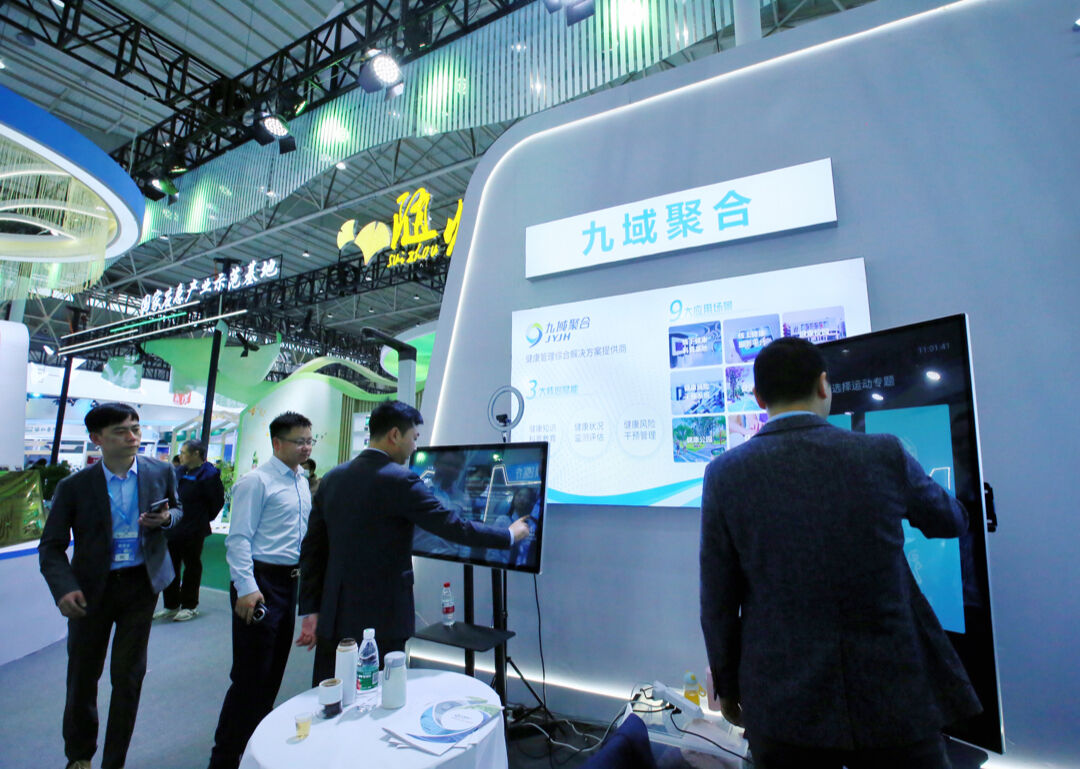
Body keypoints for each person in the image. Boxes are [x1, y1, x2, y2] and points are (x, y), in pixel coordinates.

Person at [699, 336, 981, 769]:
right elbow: (950, 521)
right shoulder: (883, 452)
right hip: (894, 694)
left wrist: (729, 686)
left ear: (758, 397)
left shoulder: (724, 474)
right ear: (823, 384)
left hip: (783, 706)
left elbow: (717, 601)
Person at [296, 401, 530, 685]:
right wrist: (508, 535)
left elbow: (313, 549)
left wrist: (311, 609)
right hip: (383, 616)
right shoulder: (401, 480)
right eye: (414, 438)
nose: (415, 448)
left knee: (331, 691)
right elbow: (452, 526)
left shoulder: (333, 478)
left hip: (334, 615)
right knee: (381, 693)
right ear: (395, 435)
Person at [38, 403, 181, 769]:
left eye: (136, 428)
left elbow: (178, 511)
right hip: (90, 590)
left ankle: (113, 762)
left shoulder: (160, 471)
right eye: (121, 431)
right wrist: (63, 588)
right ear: (97, 438)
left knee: (128, 677)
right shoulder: (74, 486)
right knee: (83, 675)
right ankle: (79, 755)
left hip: (140, 585)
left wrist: (167, 519)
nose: (133, 437)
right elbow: (51, 546)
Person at [207, 412, 314, 769]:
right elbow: (238, 540)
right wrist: (247, 588)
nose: (306, 447)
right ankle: (224, 758)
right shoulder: (256, 482)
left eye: (310, 440)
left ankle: (255, 751)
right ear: (277, 443)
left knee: (272, 674)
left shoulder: (301, 481)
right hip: (260, 584)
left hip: (289, 583)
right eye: (299, 441)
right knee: (249, 676)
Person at [155, 439, 225, 622]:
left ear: (196, 454)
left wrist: (201, 518)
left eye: (184, 452)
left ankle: (189, 605)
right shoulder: (178, 472)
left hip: (194, 530)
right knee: (170, 566)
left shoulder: (209, 476)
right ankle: (171, 605)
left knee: (192, 567)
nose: (181, 456)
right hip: (173, 527)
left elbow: (217, 502)